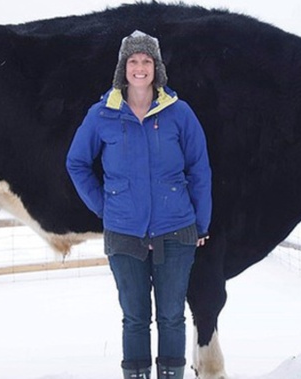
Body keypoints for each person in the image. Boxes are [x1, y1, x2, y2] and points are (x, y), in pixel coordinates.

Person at [66, 30, 212, 379]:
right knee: (134, 318)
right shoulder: (103, 114)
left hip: (176, 231)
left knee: (172, 316)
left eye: (147, 60)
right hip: (124, 234)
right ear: (123, 68)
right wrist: (106, 207)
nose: (140, 67)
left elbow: (200, 168)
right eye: (133, 61)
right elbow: (77, 163)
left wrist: (201, 223)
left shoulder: (180, 113)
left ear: (157, 68)